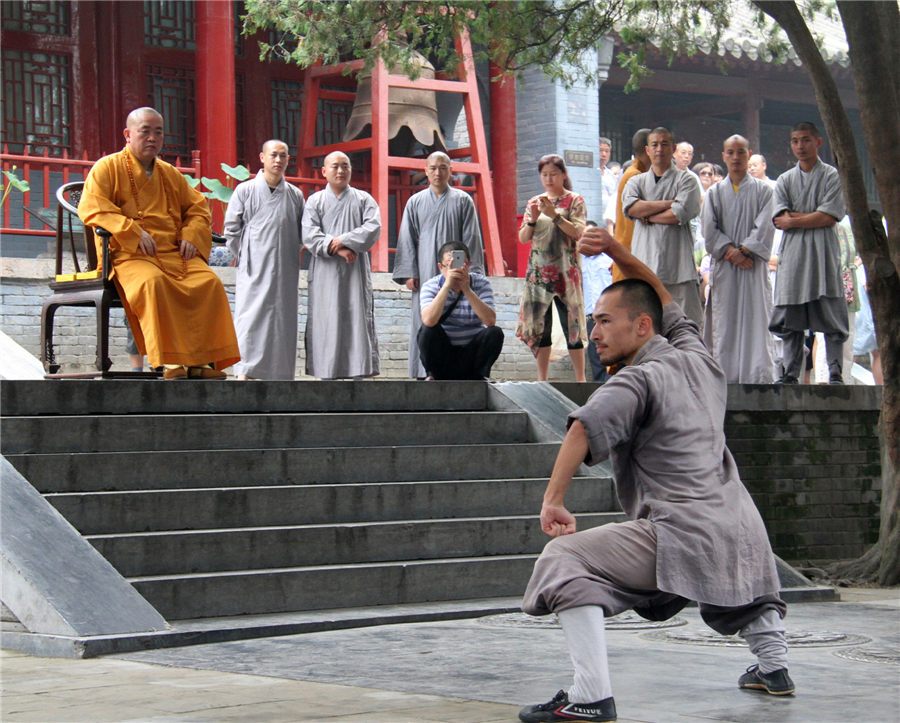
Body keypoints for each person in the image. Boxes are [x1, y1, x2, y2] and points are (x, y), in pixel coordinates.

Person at [518, 228, 792, 723]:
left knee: (563, 560)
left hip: (680, 529)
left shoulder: (638, 378)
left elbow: (583, 427)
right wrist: (617, 252)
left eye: (603, 322)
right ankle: (774, 669)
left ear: (643, 327)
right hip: (740, 526)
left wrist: (553, 500)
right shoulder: (699, 357)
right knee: (743, 579)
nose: (594, 332)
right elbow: (662, 294)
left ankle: (590, 696)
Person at [78, 107, 239, 380]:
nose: (152, 138)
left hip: (175, 253)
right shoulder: (108, 167)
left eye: (158, 132)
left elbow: (198, 209)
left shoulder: (170, 173)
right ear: (128, 135)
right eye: (145, 132)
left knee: (209, 284)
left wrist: (190, 234)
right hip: (130, 254)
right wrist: (130, 230)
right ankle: (169, 362)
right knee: (153, 283)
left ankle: (202, 362)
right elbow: (93, 208)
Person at [769, 122, 848, 385]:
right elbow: (780, 219)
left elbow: (829, 217)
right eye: (795, 141)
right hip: (793, 257)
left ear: (818, 142)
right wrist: (813, 216)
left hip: (823, 254)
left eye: (805, 140)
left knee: (831, 314)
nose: (800, 146)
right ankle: (790, 373)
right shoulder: (784, 180)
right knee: (791, 317)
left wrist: (796, 220)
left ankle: (834, 371)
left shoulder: (831, 176)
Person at [393, 151, 485, 378]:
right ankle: (425, 369)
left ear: (450, 170)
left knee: (457, 316)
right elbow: (407, 238)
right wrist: (410, 272)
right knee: (426, 315)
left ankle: (458, 369)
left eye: (443, 168)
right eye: (433, 168)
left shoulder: (463, 200)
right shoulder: (415, 202)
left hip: (455, 270)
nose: (437, 172)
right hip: (425, 270)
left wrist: (466, 274)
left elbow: (470, 238)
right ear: (425, 171)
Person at [224, 139, 304, 380]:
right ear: (262, 158)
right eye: (273, 155)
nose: (278, 160)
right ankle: (245, 371)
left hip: (284, 267)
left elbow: (302, 233)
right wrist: (249, 253)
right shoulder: (245, 190)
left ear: (288, 160)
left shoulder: (295, 195)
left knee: (282, 318)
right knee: (250, 317)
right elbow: (231, 230)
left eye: (283, 156)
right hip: (253, 266)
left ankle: (280, 374)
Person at [701, 135, 776, 384]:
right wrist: (731, 252)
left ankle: (757, 376)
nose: (735, 157)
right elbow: (708, 231)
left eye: (741, 152)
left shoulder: (765, 191)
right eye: (730, 152)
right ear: (723, 156)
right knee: (725, 321)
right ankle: (725, 377)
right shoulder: (714, 193)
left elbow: (765, 226)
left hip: (753, 266)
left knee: (756, 319)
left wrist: (744, 251)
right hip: (726, 267)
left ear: (749, 154)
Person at [301, 151, 381, 379]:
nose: (340, 171)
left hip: (354, 271)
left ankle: (358, 370)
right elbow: (309, 234)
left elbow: (373, 228)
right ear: (324, 172)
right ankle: (326, 371)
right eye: (335, 166)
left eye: (345, 166)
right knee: (326, 317)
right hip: (325, 271)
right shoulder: (314, 201)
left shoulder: (364, 199)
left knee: (356, 314)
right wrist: (335, 246)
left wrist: (343, 240)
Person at [516, 154, 588, 382]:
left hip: (566, 273)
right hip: (539, 274)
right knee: (541, 328)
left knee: (572, 326)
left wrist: (554, 216)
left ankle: (580, 379)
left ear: (563, 175)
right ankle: (542, 379)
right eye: (544, 175)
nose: (548, 179)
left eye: (553, 174)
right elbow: (523, 238)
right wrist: (533, 219)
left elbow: (578, 232)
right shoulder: (534, 202)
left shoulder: (574, 200)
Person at [621, 127, 703, 324]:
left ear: (673, 149)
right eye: (654, 145)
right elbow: (632, 209)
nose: (659, 149)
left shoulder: (687, 180)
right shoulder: (636, 181)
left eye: (664, 144)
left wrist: (647, 216)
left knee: (684, 327)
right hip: (645, 261)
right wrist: (668, 203)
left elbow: (678, 214)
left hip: (678, 267)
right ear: (647, 150)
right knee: (646, 329)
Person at [417, 241, 504, 380]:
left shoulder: (481, 283)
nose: (455, 269)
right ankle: (433, 374)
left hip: (471, 354)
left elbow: (490, 321)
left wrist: (467, 289)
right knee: (427, 330)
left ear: (468, 265)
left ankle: (478, 375)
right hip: (443, 353)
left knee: (495, 333)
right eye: (449, 265)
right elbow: (428, 320)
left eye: (459, 264)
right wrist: (446, 287)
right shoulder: (431, 286)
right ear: (441, 267)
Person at [610, 128, 651, 283]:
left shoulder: (639, 173)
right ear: (648, 150)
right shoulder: (634, 176)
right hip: (631, 253)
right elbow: (631, 225)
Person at [581, 221, 612, 382]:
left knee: (614, 355)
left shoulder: (609, 259)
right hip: (590, 316)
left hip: (611, 315)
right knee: (595, 357)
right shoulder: (579, 262)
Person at [597, 136, 618, 224]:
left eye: (607, 151)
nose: (604, 154)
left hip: (609, 221)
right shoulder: (591, 172)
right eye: (601, 150)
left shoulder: (611, 176)